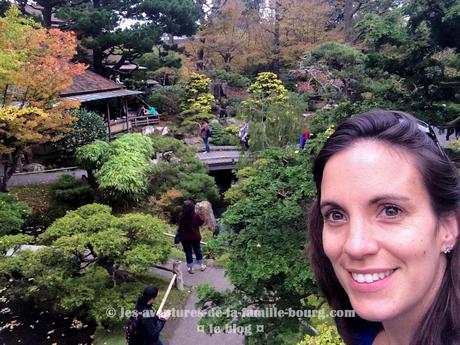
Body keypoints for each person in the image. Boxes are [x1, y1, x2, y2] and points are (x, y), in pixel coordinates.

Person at [308, 110, 459, 345]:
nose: (355, 246)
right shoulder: (362, 334)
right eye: (336, 215)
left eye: (391, 211)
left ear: (448, 227)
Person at [178, 200, 206, 274]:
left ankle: (190, 268)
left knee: (188, 252)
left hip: (185, 237)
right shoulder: (195, 215)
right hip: (195, 236)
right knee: (197, 250)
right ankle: (202, 265)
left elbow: (179, 224)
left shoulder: (181, 215)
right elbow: (201, 223)